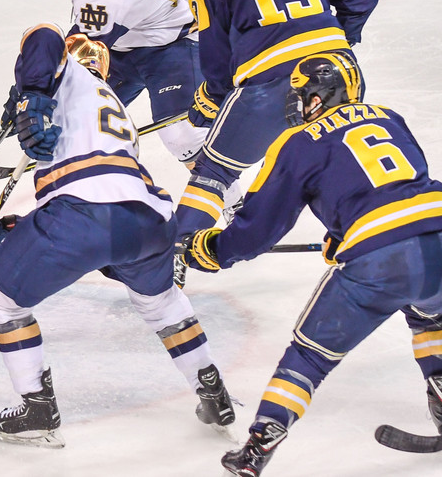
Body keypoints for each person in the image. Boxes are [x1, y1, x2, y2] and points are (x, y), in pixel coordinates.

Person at [0, 24, 235, 448]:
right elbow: (93, 198)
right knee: (161, 304)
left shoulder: (68, 74)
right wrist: (8, 233)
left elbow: (43, 36)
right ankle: (212, 390)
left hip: (84, 216)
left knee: (2, 301)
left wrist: (31, 96)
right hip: (149, 221)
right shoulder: (111, 107)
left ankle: (37, 408)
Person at [177, 51, 442, 476]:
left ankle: (260, 441)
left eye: (304, 95)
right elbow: (395, 187)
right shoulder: (389, 116)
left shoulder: (297, 142)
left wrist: (208, 249)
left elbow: (257, 229)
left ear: (321, 96)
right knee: (432, 317)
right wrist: (341, 233)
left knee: (310, 357)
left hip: (376, 261)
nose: (299, 104)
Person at [175, 0, 379, 235]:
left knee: (214, 173)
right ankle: (374, 234)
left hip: (269, 86)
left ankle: (173, 256)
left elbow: (218, 63)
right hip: (338, 75)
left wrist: (210, 102)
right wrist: (342, 38)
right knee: (334, 159)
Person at [56, 0, 208, 166]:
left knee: (183, 136)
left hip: (174, 40)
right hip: (126, 44)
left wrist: (34, 87)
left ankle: (233, 203)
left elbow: (79, 53)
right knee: (74, 118)